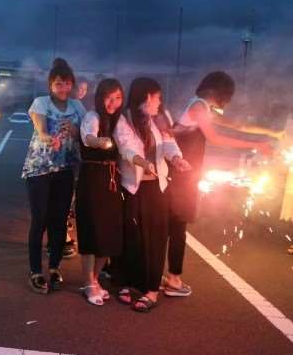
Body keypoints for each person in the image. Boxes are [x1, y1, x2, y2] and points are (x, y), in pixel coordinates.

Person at [166, 71, 276, 296]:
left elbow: (232, 125)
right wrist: (255, 144)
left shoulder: (201, 106)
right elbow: (215, 137)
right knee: (177, 225)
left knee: (174, 225)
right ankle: (173, 279)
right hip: (182, 173)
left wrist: (264, 134)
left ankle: (167, 276)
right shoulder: (199, 106)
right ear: (220, 92)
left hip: (183, 171)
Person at [113, 77, 191, 312]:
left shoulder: (159, 117)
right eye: (157, 97)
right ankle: (127, 282)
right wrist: (142, 163)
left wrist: (176, 159)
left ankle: (152, 290)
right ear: (147, 97)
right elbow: (126, 148)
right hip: (132, 187)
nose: (159, 102)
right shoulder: (124, 119)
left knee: (156, 238)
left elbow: (169, 142)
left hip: (157, 188)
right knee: (131, 237)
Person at [22, 58, 85, 293]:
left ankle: (55, 267)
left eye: (67, 83)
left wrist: (75, 130)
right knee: (39, 219)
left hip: (66, 169)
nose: (63, 88)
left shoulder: (78, 107)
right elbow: (40, 127)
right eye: (58, 83)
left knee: (59, 220)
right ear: (51, 85)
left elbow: (85, 134)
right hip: (40, 168)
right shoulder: (41, 102)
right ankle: (35, 270)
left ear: (72, 85)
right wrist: (47, 136)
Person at [76, 79, 125, 305]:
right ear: (99, 97)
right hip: (93, 178)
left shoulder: (120, 120)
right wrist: (100, 141)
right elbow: (88, 138)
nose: (113, 103)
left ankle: (94, 279)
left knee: (109, 232)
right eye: (108, 97)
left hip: (112, 181)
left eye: (117, 98)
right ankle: (88, 282)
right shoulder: (92, 116)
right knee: (91, 229)